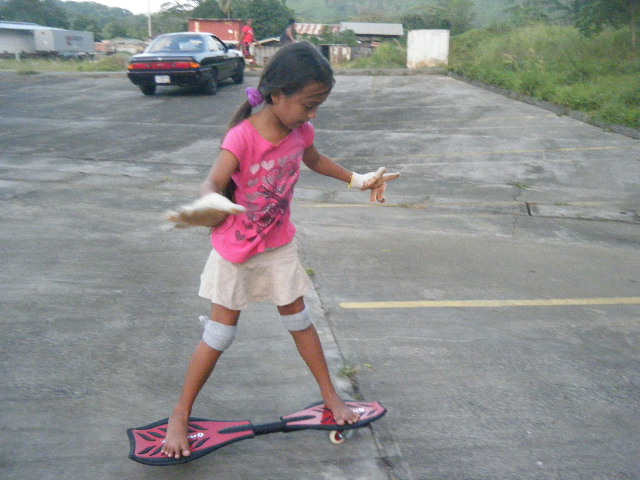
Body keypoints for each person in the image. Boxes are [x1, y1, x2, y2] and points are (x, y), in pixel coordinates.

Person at [160, 42, 399, 460]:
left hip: (277, 244)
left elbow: (316, 159)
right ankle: (180, 414)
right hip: (236, 248)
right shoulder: (243, 136)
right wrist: (209, 202)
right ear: (277, 96)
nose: (312, 115)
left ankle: (330, 396)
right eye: (308, 105)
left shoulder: (300, 131)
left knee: (301, 320)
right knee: (219, 333)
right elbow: (213, 182)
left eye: (318, 105)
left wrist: (358, 180)